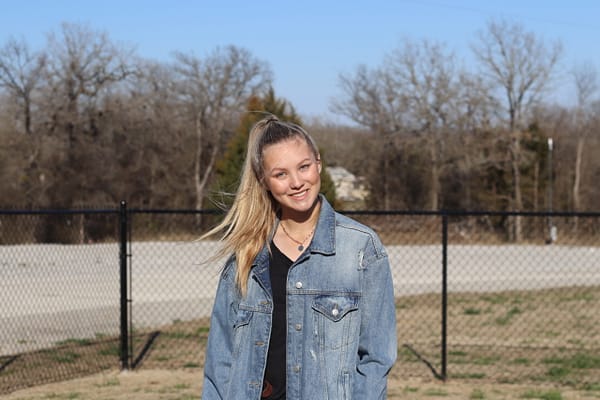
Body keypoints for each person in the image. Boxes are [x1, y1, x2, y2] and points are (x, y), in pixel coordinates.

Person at [201, 116, 397, 399]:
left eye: (303, 167)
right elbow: (221, 358)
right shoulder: (247, 251)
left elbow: (377, 357)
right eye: (280, 174)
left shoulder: (361, 247)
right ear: (264, 180)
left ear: (318, 163)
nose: (296, 183)